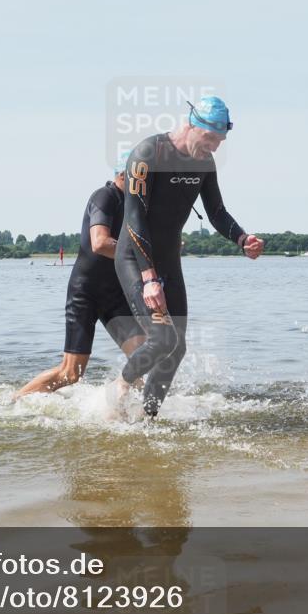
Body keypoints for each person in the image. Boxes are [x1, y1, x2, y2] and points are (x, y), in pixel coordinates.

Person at [112, 96, 264, 417]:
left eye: (220, 141)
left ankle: (147, 417)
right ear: (191, 125)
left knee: (177, 347)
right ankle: (120, 386)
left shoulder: (204, 163)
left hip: (168, 259)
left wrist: (242, 238)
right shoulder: (148, 154)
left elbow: (217, 212)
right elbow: (135, 217)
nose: (213, 147)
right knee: (164, 337)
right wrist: (149, 277)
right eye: (209, 138)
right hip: (135, 259)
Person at [15, 154, 145, 398]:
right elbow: (100, 243)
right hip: (85, 293)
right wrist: (144, 251)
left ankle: (124, 409)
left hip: (115, 295)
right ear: (124, 174)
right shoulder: (104, 197)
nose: (146, 185)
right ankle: (15, 400)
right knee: (71, 374)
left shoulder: (134, 205)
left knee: (141, 357)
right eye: (142, 177)